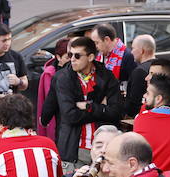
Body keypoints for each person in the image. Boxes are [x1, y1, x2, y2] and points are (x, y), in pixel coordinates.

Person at [52, 36, 125, 166]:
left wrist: (89, 106)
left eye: (77, 56)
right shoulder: (63, 78)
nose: (72, 59)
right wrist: (102, 108)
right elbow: (70, 115)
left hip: (104, 149)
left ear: (90, 57)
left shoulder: (107, 77)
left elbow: (116, 113)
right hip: (74, 149)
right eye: (70, 55)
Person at [38, 38, 71, 140]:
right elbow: (51, 103)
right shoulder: (50, 74)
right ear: (58, 57)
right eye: (68, 57)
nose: (72, 60)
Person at [125, 33, 156, 113]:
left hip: (142, 118)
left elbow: (134, 103)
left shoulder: (139, 72)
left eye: (133, 48)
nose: (131, 52)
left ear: (142, 51)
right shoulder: (164, 67)